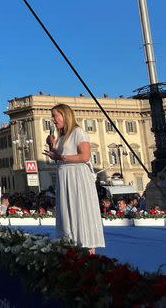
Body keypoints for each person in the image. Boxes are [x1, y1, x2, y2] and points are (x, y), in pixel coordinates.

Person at [43, 103, 105, 254]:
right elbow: (59, 157)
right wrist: (52, 146)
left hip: (77, 177)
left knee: (79, 208)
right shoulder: (63, 137)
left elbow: (85, 156)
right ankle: (71, 243)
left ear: (65, 115)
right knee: (67, 209)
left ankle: (87, 246)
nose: (53, 119)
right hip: (65, 177)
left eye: (55, 115)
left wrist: (61, 156)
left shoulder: (78, 132)